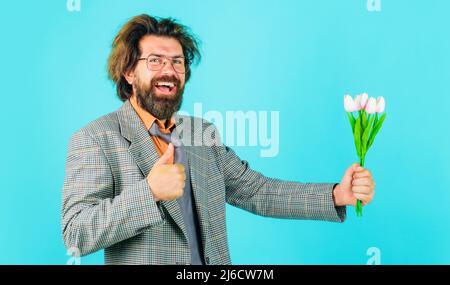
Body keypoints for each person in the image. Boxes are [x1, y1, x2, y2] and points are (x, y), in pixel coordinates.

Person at [61, 14, 375, 265]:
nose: (169, 71)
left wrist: (336, 194)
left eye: (177, 61)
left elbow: (257, 192)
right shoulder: (95, 138)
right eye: (154, 60)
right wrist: (150, 192)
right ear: (129, 72)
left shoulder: (201, 134)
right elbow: (76, 234)